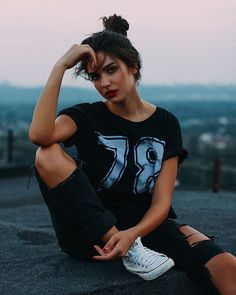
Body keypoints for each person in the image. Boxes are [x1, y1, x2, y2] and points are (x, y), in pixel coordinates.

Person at [29, 14, 236, 294]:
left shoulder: (166, 123)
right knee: (47, 154)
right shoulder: (87, 116)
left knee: (227, 266)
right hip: (87, 230)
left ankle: (132, 246)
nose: (104, 83)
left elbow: (162, 204)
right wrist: (60, 67)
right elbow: (39, 136)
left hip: (140, 227)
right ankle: (128, 249)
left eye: (111, 70)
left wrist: (133, 234)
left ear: (133, 67)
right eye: (95, 76)